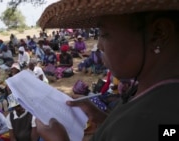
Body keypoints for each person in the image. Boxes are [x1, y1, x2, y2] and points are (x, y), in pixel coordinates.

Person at [36, 1, 179, 141]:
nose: (99, 45)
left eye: (104, 34)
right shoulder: (155, 96)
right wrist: (104, 119)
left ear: (159, 33)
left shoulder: (146, 119)